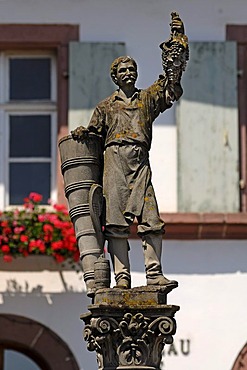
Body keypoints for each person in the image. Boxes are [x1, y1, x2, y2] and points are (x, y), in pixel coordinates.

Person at [72, 14, 185, 290]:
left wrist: (176, 48)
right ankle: (122, 276)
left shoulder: (146, 98)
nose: (128, 73)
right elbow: (94, 136)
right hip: (114, 162)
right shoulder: (106, 106)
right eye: (123, 70)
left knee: (150, 217)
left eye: (131, 69)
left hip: (139, 161)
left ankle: (154, 273)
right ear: (115, 76)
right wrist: (81, 133)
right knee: (115, 223)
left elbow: (171, 87)